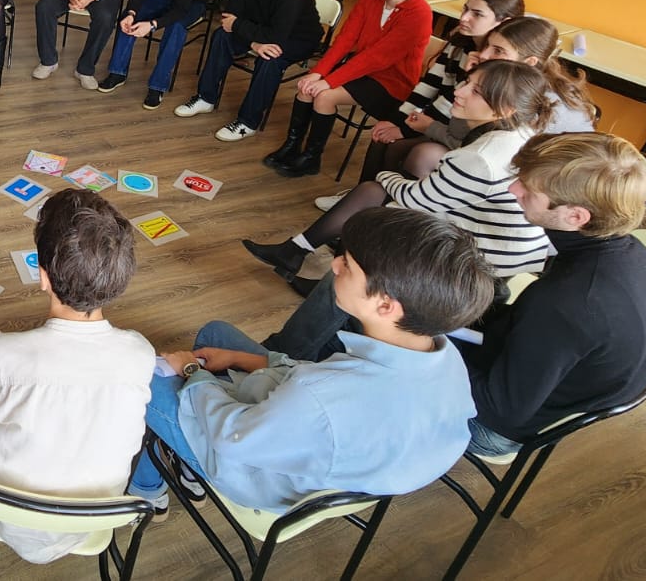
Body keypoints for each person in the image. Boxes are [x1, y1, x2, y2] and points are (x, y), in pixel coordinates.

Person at [125, 208, 494, 515]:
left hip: (258, 472)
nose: (335, 265)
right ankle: (185, 469)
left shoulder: (321, 393)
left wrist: (192, 372)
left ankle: (148, 492)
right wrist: (240, 359)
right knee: (216, 334)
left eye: (348, 265)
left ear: (385, 305)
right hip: (318, 443)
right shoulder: (445, 357)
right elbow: (310, 383)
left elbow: (231, 434)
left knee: (147, 376)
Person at [0, 189, 153, 563]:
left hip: (2, 510)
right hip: (91, 519)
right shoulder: (140, 354)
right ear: (118, 281)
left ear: (43, 277)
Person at [245, 60, 555, 290]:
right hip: (494, 245)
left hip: (482, 259)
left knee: (379, 208)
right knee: (376, 197)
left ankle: (326, 278)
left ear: (505, 109)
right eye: (466, 82)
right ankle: (303, 257)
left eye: (475, 91)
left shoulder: (481, 156)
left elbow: (415, 199)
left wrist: (385, 176)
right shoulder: (517, 131)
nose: (458, 91)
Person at [462, 132, 646, 457]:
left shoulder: (568, 303)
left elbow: (500, 408)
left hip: (496, 425)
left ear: (575, 216)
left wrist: (421, 345)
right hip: (533, 372)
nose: (513, 189)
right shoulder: (630, 251)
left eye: (529, 189)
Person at [321, 13, 597, 209]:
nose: (485, 55)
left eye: (497, 51)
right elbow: (463, 131)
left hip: (537, 192)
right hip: (484, 159)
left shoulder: (527, 98)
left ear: (530, 61)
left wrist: (431, 125)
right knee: (394, 145)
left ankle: (387, 207)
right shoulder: (498, 77)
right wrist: (472, 80)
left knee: (421, 153)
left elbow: (478, 149)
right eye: (487, 46)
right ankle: (366, 205)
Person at [263, 0, 434, 177]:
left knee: (325, 96)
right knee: (306, 87)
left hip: (392, 83)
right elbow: (345, 40)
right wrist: (317, 73)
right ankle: (292, 145)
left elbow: (377, 57)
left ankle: (311, 158)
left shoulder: (420, 14)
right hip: (361, 69)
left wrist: (329, 81)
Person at [173, 0, 322, 138]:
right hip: (259, 28)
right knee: (221, 35)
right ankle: (206, 98)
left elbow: (275, 35)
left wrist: (243, 30)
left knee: (270, 58)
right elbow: (230, 17)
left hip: (297, 38)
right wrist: (253, 42)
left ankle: (247, 122)